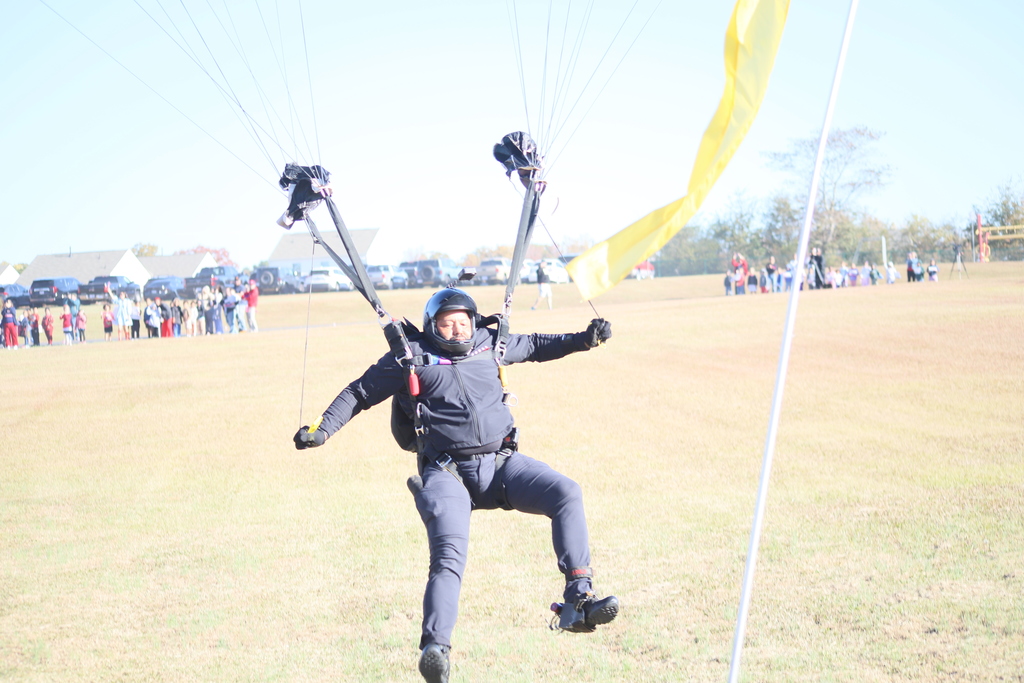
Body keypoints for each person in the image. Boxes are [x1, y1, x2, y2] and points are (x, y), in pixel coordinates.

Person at [293, 289, 618, 683]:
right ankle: (436, 650)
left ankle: (578, 601)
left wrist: (585, 339)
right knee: (448, 559)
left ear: (474, 321)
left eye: (464, 321)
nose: (457, 329)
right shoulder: (409, 356)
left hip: (501, 466)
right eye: (447, 323)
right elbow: (359, 393)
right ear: (432, 326)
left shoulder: (489, 344)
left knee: (565, 492)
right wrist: (322, 430)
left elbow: (534, 345)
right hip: (446, 474)